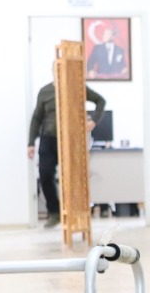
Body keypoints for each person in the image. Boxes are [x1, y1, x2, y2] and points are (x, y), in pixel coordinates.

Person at [26, 81, 105, 227]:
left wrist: (93, 121)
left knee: (73, 177)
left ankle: (76, 214)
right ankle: (54, 213)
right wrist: (31, 142)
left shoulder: (77, 86)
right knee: (45, 174)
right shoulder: (45, 91)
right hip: (48, 139)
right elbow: (37, 117)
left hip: (70, 140)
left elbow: (100, 101)